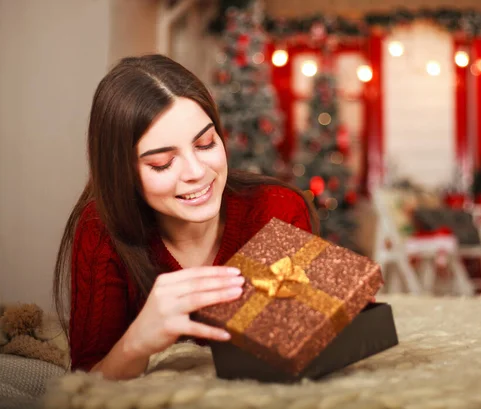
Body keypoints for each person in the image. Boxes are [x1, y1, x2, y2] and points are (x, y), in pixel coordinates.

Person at [52, 54, 318, 380]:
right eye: (162, 163)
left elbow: (312, 351)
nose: (196, 172)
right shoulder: (101, 229)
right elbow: (85, 384)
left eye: (205, 144)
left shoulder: (276, 209)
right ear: (123, 173)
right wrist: (138, 341)